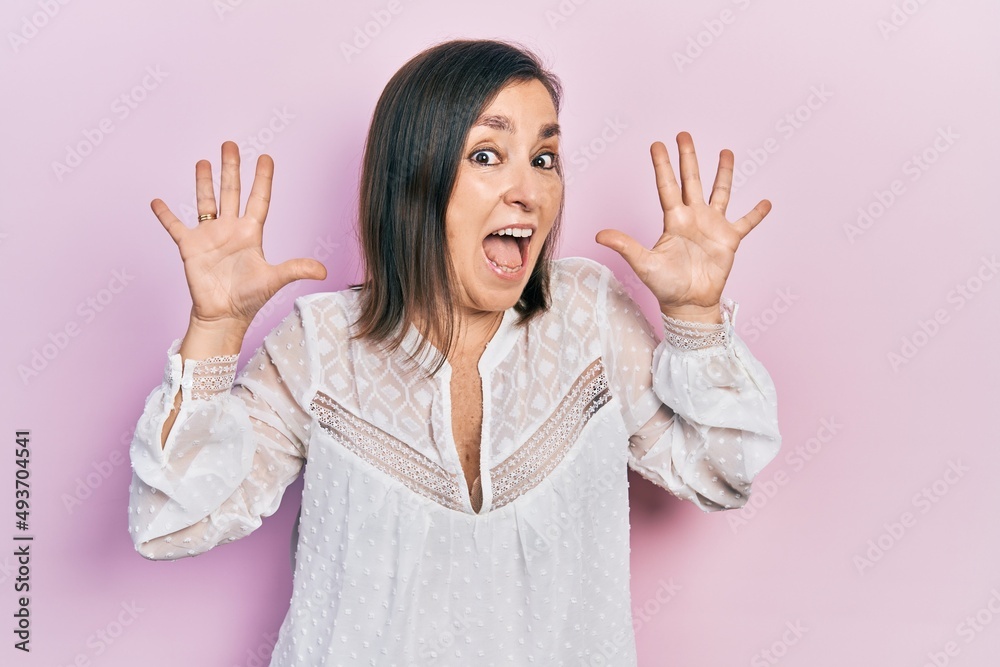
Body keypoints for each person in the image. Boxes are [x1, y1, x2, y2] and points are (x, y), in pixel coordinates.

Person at [127, 38, 782, 666]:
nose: (529, 190)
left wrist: (695, 316)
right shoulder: (321, 345)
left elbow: (718, 471)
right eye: (487, 155)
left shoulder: (588, 314)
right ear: (413, 180)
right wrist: (215, 327)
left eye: (544, 158)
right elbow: (169, 521)